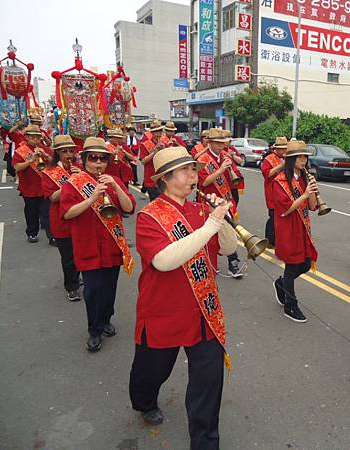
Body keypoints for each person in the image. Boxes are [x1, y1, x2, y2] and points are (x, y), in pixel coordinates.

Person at [129, 146, 237, 448]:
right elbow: (164, 260)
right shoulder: (149, 216)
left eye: (194, 169)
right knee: (152, 370)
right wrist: (211, 224)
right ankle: (144, 401)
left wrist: (223, 218)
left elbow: (226, 248)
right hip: (163, 309)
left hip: (203, 311)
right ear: (165, 178)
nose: (194, 176)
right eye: (186, 170)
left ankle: (204, 442)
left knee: (208, 381)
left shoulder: (201, 209)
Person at [60, 137, 136, 352]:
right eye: (93, 159)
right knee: (92, 291)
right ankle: (94, 330)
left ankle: (105, 319)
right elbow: (67, 213)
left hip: (112, 246)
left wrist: (116, 187)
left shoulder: (113, 180)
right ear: (84, 160)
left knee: (109, 289)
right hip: (88, 247)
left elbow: (129, 208)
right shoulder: (73, 184)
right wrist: (92, 198)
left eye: (103, 159)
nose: (99, 163)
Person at [272, 140, 319, 323]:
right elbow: (286, 209)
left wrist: (313, 192)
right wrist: (305, 195)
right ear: (291, 159)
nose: (304, 160)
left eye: (305, 157)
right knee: (292, 267)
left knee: (306, 264)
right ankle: (290, 306)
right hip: (288, 229)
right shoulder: (280, 181)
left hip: (303, 227)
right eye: (300, 157)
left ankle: (282, 284)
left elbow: (313, 206)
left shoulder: (305, 178)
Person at [197, 128, 244, 278]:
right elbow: (203, 182)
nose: (221, 146)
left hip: (225, 201)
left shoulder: (225, 156)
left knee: (229, 231)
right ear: (209, 143)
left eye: (223, 143)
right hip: (208, 201)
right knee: (208, 235)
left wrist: (231, 170)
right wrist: (220, 170)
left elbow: (236, 178)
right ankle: (207, 263)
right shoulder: (202, 159)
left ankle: (233, 263)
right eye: (218, 143)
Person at [40, 135, 82, 302]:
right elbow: (53, 197)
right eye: (64, 151)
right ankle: (71, 287)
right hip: (61, 220)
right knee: (68, 256)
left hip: (79, 216)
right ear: (57, 152)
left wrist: (82, 177)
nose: (69, 154)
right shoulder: (50, 172)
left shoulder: (79, 167)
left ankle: (75, 277)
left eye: (71, 151)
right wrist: (70, 182)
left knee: (79, 252)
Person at [12, 124, 54, 244]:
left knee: (48, 212)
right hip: (29, 187)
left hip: (45, 187)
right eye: (32, 137)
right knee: (32, 212)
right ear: (27, 138)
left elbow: (55, 163)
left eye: (37, 137)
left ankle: (52, 236)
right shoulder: (21, 151)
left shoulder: (44, 149)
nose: (35, 140)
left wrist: (45, 156)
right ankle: (32, 233)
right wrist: (30, 160)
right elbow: (17, 167)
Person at [261, 136, 288, 247]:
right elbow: (267, 174)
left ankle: (279, 239)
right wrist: (281, 166)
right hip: (272, 192)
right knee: (273, 217)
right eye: (282, 149)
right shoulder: (269, 159)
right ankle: (269, 239)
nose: (284, 151)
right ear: (276, 149)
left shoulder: (288, 158)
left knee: (283, 217)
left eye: (285, 148)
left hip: (285, 191)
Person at [139, 121, 166, 201]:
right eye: (156, 131)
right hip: (151, 177)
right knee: (155, 202)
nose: (159, 133)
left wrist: (165, 149)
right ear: (152, 133)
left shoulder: (164, 143)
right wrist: (154, 151)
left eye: (160, 131)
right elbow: (143, 161)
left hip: (164, 177)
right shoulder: (145, 144)